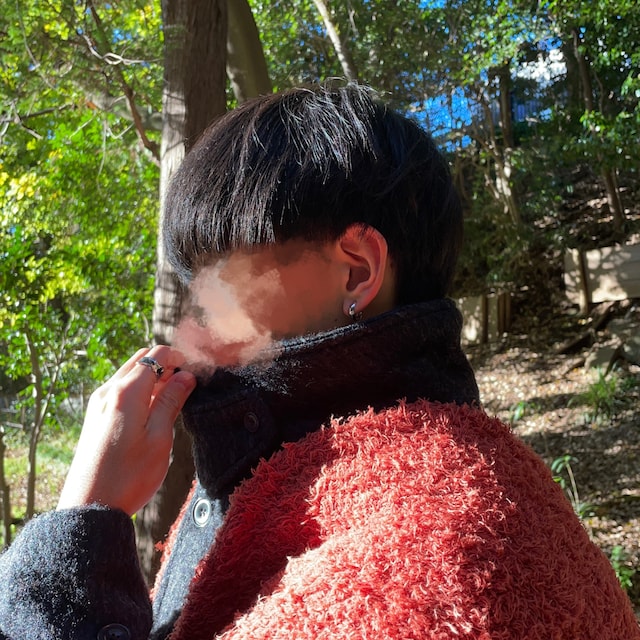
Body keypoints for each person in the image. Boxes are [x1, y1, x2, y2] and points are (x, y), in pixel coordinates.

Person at [0, 83, 637, 640]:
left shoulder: (421, 561)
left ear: (356, 270)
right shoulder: (296, 459)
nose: (191, 321)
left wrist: (80, 527)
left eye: (215, 281)